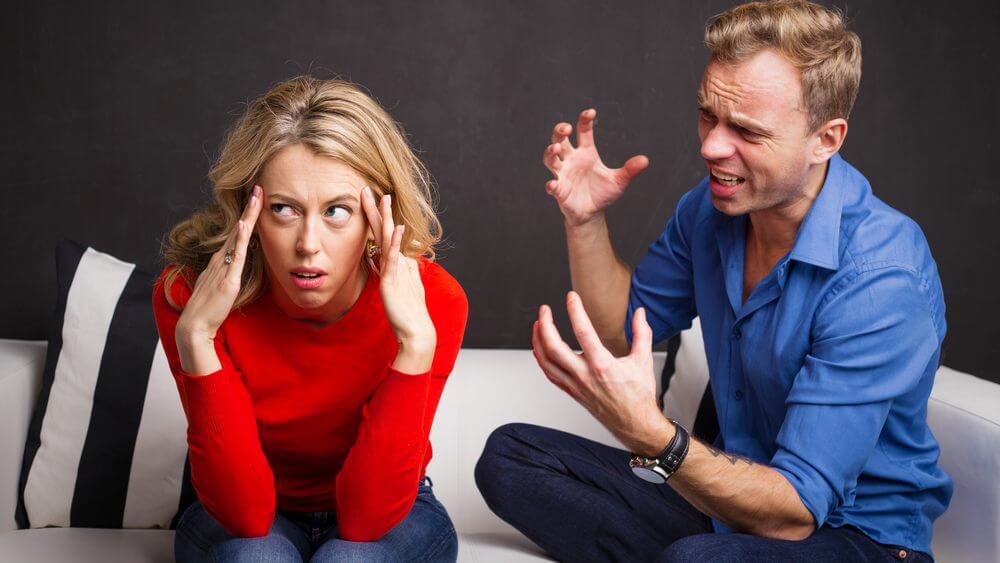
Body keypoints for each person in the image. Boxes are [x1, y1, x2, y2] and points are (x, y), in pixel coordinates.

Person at [475, 1, 951, 561]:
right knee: (511, 458)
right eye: (709, 116)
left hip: (850, 534)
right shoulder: (710, 210)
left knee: (697, 558)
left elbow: (795, 513)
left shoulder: (880, 277)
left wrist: (653, 435)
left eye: (746, 130)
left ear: (826, 138)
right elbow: (625, 333)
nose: (710, 147)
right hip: (724, 507)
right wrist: (585, 221)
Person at [152, 76, 467, 562]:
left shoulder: (435, 301)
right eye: (283, 210)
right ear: (248, 214)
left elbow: (365, 521)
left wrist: (415, 348)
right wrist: (197, 337)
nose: (308, 245)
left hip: (391, 513)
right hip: (246, 510)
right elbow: (246, 516)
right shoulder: (187, 295)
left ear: (375, 219)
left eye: (337, 211)